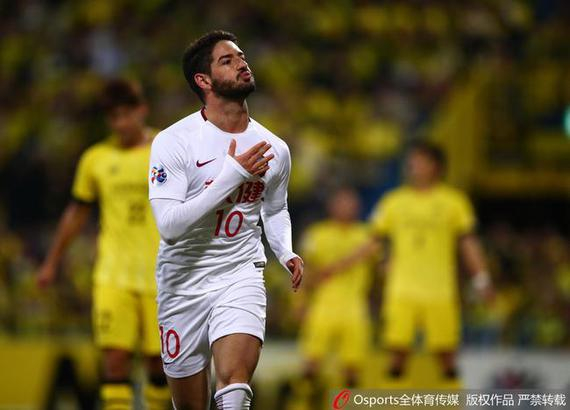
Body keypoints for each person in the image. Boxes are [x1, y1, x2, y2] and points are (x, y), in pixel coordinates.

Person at [148, 30, 303, 410]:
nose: (242, 64)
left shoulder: (274, 147)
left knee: (234, 385)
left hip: (239, 273)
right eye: (227, 60)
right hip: (182, 283)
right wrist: (232, 176)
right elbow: (169, 226)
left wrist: (285, 251)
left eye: (242, 57)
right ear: (203, 80)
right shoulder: (174, 141)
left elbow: (275, 209)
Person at [37, 79, 171, 410]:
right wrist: (52, 261)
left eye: (126, 114)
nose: (121, 123)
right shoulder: (95, 159)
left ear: (142, 110)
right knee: (114, 360)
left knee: (159, 362)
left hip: (162, 275)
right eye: (114, 117)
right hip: (112, 275)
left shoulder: (167, 150)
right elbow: (77, 212)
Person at [338, 142, 493, 388]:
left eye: (419, 161)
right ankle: (394, 402)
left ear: (436, 167)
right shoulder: (393, 201)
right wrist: (350, 265)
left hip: (439, 291)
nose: (412, 166)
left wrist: (482, 279)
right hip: (402, 290)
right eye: (411, 162)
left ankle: (451, 402)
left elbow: (468, 243)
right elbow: (374, 242)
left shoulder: (454, 202)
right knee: (397, 355)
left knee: (446, 356)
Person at [297, 188, 375, 404]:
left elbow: (380, 273)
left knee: (352, 368)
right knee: (311, 364)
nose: (346, 208)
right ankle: (304, 404)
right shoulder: (316, 234)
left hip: (355, 306)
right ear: (331, 206)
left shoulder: (367, 235)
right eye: (341, 203)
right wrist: (300, 302)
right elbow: (304, 270)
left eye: (351, 203)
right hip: (323, 305)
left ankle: (347, 405)